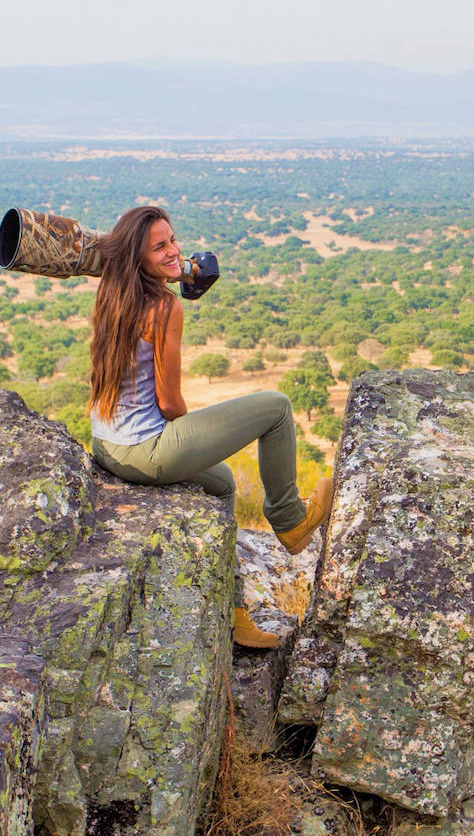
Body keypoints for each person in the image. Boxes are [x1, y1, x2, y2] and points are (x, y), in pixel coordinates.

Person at [89, 206, 333, 649]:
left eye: (173, 240)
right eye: (159, 246)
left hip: (108, 446)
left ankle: (233, 611)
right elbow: (170, 403)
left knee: (221, 485)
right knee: (275, 408)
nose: (174, 251)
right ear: (137, 256)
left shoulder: (113, 293)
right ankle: (290, 521)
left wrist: (178, 272)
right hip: (145, 450)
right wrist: (199, 436)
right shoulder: (163, 307)